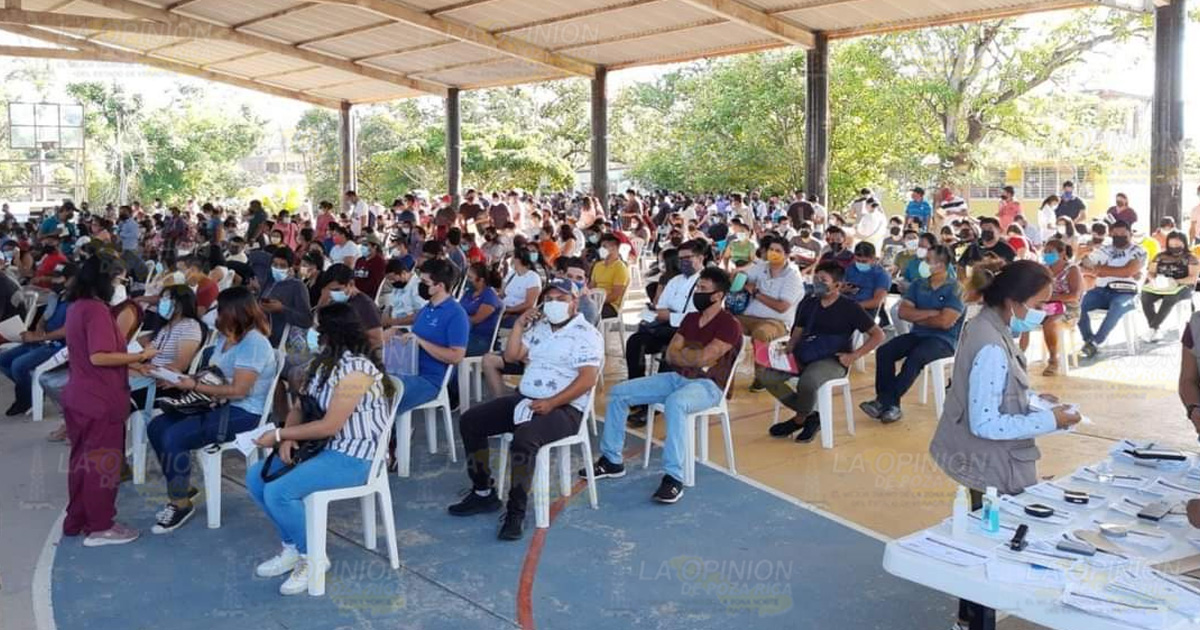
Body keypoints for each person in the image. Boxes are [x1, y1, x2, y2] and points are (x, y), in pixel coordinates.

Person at [929, 260, 1081, 630]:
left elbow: (993, 396)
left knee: (983, 537)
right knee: (992, 546)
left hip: (980, 460)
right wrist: (1051, 420)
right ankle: (975, 619)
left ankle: (970, 616)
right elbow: (987, 422)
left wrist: (1032, 401)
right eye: (1040, 303)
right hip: (989, 463)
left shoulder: (985, 325)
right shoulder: (992, 345)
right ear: (1014, 302)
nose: (1045, 312)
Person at [246, 303, 397, 595]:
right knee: (256, 478)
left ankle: (313, 557)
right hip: (322, 448)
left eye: (318, 329)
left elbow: (330, 425)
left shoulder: (357, 370)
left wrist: (278, 434)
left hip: (355, 456)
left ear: (332, 333)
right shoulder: (324, 362)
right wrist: (288, 438)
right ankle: (293, 547)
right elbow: (302, 405)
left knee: (280, 492)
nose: (313, 333)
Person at [447, 279, 602, 541]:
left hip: (564, 408)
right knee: (471, 420)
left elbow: (587, 379)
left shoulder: (587, 334)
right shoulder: (539, 328)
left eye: (561, 299)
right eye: (549, 299)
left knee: (524, 439)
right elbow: (510, 356)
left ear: (575, 303)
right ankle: (483, 491)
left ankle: (515, 512)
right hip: (527, 398)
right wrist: (519, 324)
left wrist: (553, 402)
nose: (554, 304)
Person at [586, 267, 742, 503]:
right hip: (676, 378)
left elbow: (707, 358)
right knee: (619, 393)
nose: (697, 292)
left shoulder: (729, 324)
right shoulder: (691, 319)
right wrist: (689, 357)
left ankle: (673, 477)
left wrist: (687, 355)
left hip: (707, 386)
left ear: (718, 295)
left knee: (675, 403)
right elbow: (671, 354)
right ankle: (612, 460)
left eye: (703, 289)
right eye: (697, 287)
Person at [146, 287, 278, 534]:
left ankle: (180, 504)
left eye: (221, 308)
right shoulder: (226, 337)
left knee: (175, 436)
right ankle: (182, 488)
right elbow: (216, 374)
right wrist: (185, 379)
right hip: (215, 403)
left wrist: (193, 384)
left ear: (235, 312)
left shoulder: (254, 343)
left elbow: (239, 390)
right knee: (157, 426)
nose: (216, 313)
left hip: (244, 413)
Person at [62, 254, 158, 546]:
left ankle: (77, 519)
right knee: (103, 464)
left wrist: (132, 365)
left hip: (80, 397)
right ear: (105, 280)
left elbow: (91, 356)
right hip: (100, 401)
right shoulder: (97, 311)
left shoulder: (78, 307)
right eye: (118, 279)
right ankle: (101, 526)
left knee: (82, 461)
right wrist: (140, 355)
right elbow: (99, 356)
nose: (121, 285)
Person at [763, 262, 885, 443]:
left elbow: (878, 335)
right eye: (816, 278)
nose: (817, 282)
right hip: (805, 351)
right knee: (767, 376)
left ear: (837, 285)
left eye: (823, 280)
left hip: (833, 359)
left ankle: (799, 419)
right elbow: (799, 328)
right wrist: (790, 346)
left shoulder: (850, 307)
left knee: (808, 383)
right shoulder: (808, 302)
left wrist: (854, 356)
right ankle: (810, 416)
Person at [861, 245, 963, 423]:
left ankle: (883, 402)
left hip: (943, 341)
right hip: (918, 335)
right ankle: (891, 406)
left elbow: (945, 322)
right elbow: (903, 313)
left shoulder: (955, 288)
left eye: (927, 261)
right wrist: (932, 314)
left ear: (940, 264)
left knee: (916, 357)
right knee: (885, 351)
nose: (922, 264)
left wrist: (920, 316)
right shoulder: (918, 284)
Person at [393, 259, 468, 414]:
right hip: (409, 370)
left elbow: (456, 356)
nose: (419, 285)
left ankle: (390, 435)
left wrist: (421, 342)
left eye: (424, 282)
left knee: (384, 393)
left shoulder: (456, 314)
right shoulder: (427, 309)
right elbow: (415, 336)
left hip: (430, 380)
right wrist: (396, 332)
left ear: (439, 286)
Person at [0, 262, 73, 415]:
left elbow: (67, 330)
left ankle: (25, 400)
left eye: (59, 279)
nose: (55, 282)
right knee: (3, 360)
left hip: (61, 346)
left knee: (18, 365)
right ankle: (31, 390)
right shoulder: (56, 296)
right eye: (54, 278)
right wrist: (38, 332)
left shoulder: (76, 301)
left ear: (71, 280)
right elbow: (44, 319)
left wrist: (41, 337)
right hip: (44, 341)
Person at [739, 235, 804, 391]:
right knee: (725, 324)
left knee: (761, 333)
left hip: (776, 322)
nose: (773, 253)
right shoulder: (761, 267)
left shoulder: (792, 276)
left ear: (787, 255)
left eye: (778, 251)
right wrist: (739, 277)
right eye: (771, 250)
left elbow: (782, 307)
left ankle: (762, 377)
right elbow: (743, 277)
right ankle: (722, 375)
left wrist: (756, 293)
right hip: (748, 317)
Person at [1078, 221, 1146, 358]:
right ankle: (1089, 341)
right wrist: (1093, 265)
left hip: (1127, 292)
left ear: (1130, 234)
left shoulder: (1139, 251)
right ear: (1111, 234)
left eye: (1123, 234)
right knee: (1078, 305)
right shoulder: (1105, 249)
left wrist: (1100, 269)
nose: (1119, 237)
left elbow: (1127, 271)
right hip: (1101, 290)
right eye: (1115, 234)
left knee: (1117, 305)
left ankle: (1096, 342)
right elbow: (1084, 264)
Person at [1033, 239, 1083, 376]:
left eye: (1051, 252)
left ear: (1062, 253)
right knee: (1021, 316)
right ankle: (1018, 356)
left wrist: (1048, 298)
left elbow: (1074, 296)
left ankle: (1053, 359)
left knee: (1051, 322)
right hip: (1045, 307)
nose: (1046, 255)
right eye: (1045, 252)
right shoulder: (1043, 270)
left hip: (1069, 309)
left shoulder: (1072, 269)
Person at [1140, 231, 1199, 343]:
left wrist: (1175, 281)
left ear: (1184, 244)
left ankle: (1152, 328)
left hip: (1183, 286)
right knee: (1145, 295)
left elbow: (1193, 278)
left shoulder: (1191, 258)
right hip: (1161, 285)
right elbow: (1151, 272)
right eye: (1171, 246)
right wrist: (1154, 280)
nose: (1174, 248)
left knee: (1170, 297)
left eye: (1177, 246)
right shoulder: (1160, 256)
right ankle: (1156, 329)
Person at [319, 264, 383, 349]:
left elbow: (377, 340)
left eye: (337, 290)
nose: (333, 294)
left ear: (351, 284)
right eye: (330, 290)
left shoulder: (365, 305)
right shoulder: (338, 301)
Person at [260, 247, 313, 348]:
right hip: (262, 336)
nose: (277, 268)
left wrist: (282, 309)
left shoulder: (297, 286)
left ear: (290, 267)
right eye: (275, 265)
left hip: (279, 342)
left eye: (282, 266)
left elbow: (306, 319)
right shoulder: (269, 281)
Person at [460, 263, 503, 356]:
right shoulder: (469, 292)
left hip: (481, 340)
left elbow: (476, 319)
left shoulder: (489, 296)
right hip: (466, 333)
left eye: (470, 277)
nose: (467, 280)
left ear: (481, 280)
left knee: (450, 346)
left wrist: (457, 319)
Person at [843, 242, 891, 324]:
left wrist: (855, 306)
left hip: (866, 311)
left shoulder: (881, 275)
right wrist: (842, 289)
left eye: (864, 261)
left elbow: (877, 302)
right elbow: (838, 288)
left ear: (873, 259)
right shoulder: (850, 269)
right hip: (845, 306)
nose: (860, 263)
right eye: (857, 260)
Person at [590, 233, 630, 319]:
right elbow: (591, 286)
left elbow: (614, 296)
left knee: (587, 314)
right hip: (595, 301)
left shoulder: (620, 268)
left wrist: (597, 301)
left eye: (605, 246)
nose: (601, 249)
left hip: (610, 306)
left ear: (615, 248)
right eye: (601, 246)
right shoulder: (598, 265)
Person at [499, 249, 542, 326]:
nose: (511, 259)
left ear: (518, 260)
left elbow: (529, 304)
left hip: (519, 314)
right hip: (504, 309)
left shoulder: (533, 277)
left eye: (512, 257)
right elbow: (502, 294)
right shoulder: (511, 274)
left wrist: (509, 310)